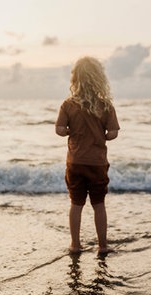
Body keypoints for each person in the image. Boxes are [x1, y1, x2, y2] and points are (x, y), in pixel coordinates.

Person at [55, 56, 120, 255]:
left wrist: (68, 131)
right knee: (99, 204)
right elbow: (113, 133)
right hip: (97, 163)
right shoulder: (106, 105)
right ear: (99, 78)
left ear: (75, 79)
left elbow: (59, 129)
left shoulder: (68, 104)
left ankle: (75, 244)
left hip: (75, 162)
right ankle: (102, 246)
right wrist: (103, 136)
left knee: (76, 204)